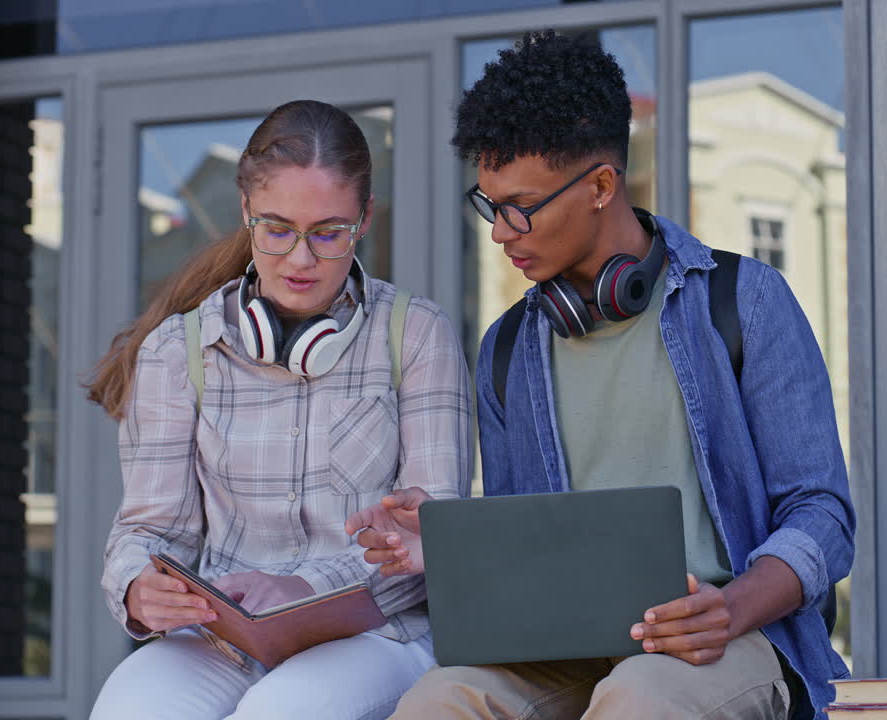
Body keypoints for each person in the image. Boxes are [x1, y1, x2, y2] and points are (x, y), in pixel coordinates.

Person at [347, 31, 854, 720]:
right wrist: (442, 552)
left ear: (600, 186)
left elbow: (823, 517)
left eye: (521, 205)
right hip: (569, 651)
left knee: (639, 698)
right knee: (436, 702)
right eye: (490, 205)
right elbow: (526, 550)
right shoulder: (506, 350)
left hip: (728, 639)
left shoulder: (747, 301)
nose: (501, 231)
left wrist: (729, 606)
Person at [84, 99, 472, 720]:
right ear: (245, 211)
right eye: (278, 229)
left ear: (364, 219)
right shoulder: (176, 351)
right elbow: (148, 530)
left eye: (328, 232)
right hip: (224, 638)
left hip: (376, 632)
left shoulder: (416, 335)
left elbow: (432, 541)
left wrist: (299, 590)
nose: (300, 258)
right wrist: (138, 588)